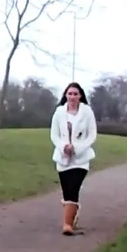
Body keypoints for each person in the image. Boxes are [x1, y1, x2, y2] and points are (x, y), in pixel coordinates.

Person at [50, 82, 97, 236]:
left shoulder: (87, 112)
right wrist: (63, 147)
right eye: (69, 94)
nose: (72, 97)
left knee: (74, 188)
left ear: (80, 96)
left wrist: (76, 148)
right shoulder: (59, 112)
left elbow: (92, 135)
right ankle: (72, 217)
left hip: (81, 159)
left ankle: (67, 225)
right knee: (66, 192)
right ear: (65, 95)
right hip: (63, 159)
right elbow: (54, 135)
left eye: (75, 94)